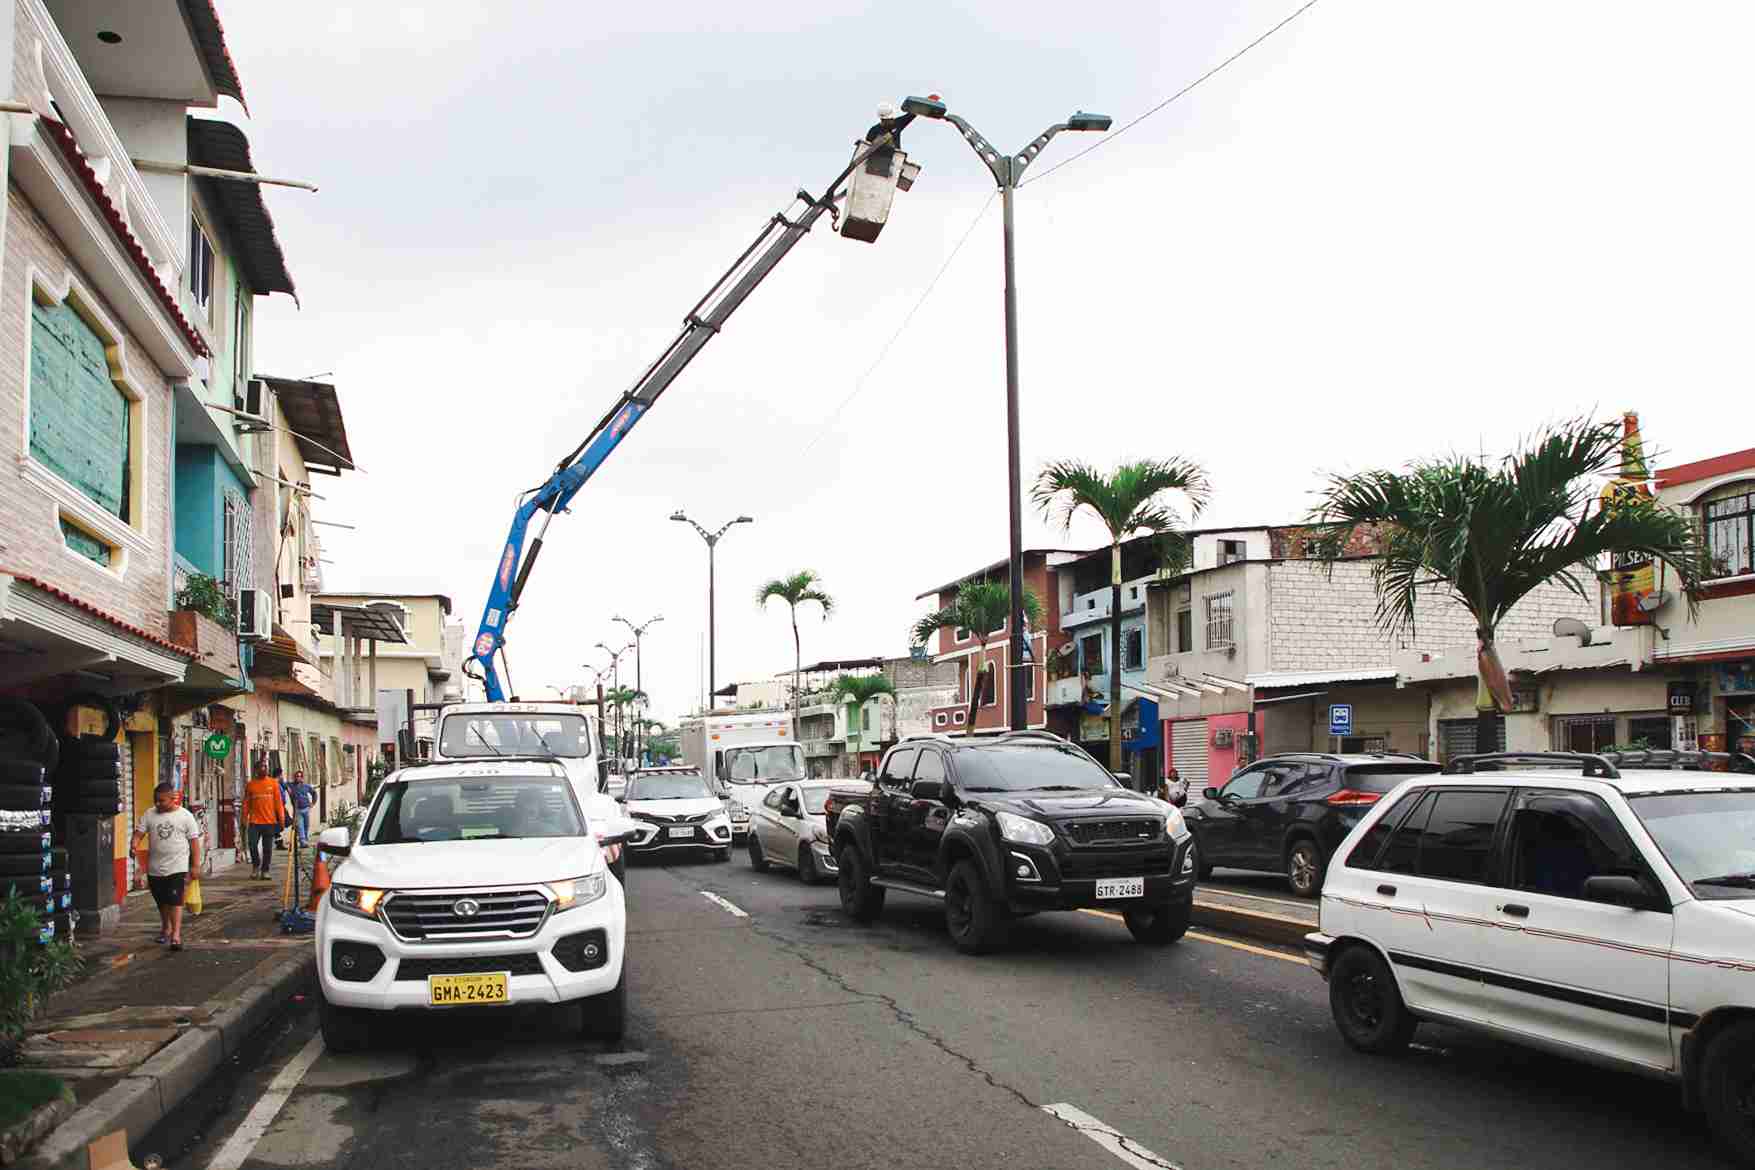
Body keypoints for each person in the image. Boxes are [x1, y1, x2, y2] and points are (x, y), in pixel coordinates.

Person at [132, 783, 200, 951]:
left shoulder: (185, 816)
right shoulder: (149, 814)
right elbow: (139, 834)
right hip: (155, 868)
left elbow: (194, 843)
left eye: (162, 801)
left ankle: (176, 935)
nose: (158, 804)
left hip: (178, 866)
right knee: (161, 901)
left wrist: (195, 866)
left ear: (172, 798)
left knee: (175, 900)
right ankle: (166, 928)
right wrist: (134, 845)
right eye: (156, 800)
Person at [244, 763, 286, 880]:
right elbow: (246, 803)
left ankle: (265, 870)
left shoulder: (273, 784)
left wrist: (281, 819)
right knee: (252, 845)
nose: (264, 769)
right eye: (261, 768)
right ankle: (256, 866)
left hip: (269, 822)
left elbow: (279, 804)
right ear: (256, 770)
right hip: (254, 822)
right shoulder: (251, 785)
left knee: (267, 848)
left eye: (265, 767)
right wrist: (244, 818)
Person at [288, 770, 316, 845]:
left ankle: (305, 840)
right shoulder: (291, 785)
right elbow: (282, 784)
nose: (298, 778)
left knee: (306, 825)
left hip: (306, 809)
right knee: (300, 826)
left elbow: (314, 793)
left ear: (302, 778)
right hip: (297, 810)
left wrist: (313, 803)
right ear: (294, 777)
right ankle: (303, 842)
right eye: (297, 776)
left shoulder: (306, 786)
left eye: (300, 776)